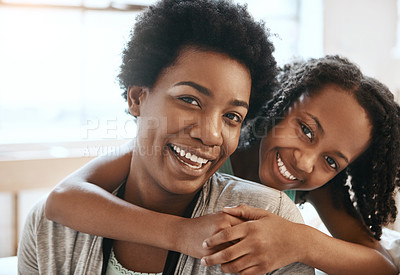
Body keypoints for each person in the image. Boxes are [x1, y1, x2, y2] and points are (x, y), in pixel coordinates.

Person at [17, 0, 314, 274]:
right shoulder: (52, 229)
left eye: (231, 117)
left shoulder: (268, 222)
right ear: (137, 98)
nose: (211, 134)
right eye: (190, 100)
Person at [44, 55, 400, 274]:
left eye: (331, 161)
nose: (305, 161)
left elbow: (382, 266)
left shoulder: (319, 183)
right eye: (305, 129)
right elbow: (63, 198)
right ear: (281, 104)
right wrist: (180, 234)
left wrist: (300, 241)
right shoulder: (207, 147)